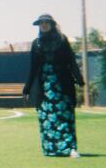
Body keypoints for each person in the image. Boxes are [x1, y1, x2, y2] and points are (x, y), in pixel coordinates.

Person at [23, 14, 84, 158]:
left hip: (62, 85)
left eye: (46, 23)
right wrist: (27, 88)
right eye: (41, 23)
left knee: (64, 115)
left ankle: (70, 149)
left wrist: (79, 80)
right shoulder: (36, 44)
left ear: (52, 25)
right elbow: (33, 68)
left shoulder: (62, 40)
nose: (43, 25)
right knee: (47, 117)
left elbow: (71, 61)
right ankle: (51, 149)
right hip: (45, 88)